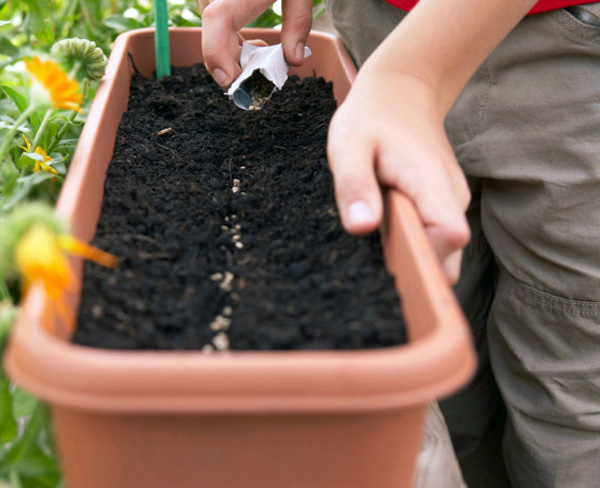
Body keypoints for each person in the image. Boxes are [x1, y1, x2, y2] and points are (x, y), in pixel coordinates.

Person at [197, 1, 600, 486]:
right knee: (445, 389)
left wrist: (411, 78)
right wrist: (402, 77)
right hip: (380, 34)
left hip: (563, 57)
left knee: (568, 409)